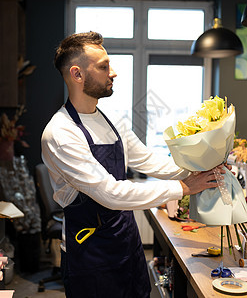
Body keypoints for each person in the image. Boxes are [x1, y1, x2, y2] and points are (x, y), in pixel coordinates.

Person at [41, 31, 225, 298]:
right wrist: (184, 187)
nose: (113, 72)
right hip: (90, 253)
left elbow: (149, 160)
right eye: (103, 66)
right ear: (77, 74)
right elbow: (110, 193)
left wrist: (203, 166)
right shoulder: (61, 133)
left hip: (126, 243)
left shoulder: (112, 122)